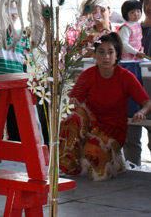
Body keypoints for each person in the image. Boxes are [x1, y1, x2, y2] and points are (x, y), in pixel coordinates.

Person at [59, 32, 151, 181]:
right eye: (101, 52)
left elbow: (147, 103)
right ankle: (71, 166)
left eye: (110, 52)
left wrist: (141, 112)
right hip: (91, 126)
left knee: (95, 159)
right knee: (72, 115)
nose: (106, 57)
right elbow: (73, 101)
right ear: (95, 54)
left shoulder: (126, 77)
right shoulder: (88, 75)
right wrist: (71, 102)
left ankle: (116, 162)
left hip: (113, 131)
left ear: (117, 55)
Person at [0, 1, 30, 142]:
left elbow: (27, 63)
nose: (10, 14)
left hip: (15, 88)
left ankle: (15, 160)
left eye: (13, 11)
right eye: (7, 9)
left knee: (16, 129)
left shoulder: (23, 38)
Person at [123, 0, 151, 166]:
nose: (149, 7)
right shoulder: (132, 28)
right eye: (146, 2)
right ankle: (132, 171)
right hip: (135, 87)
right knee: (131, 136)